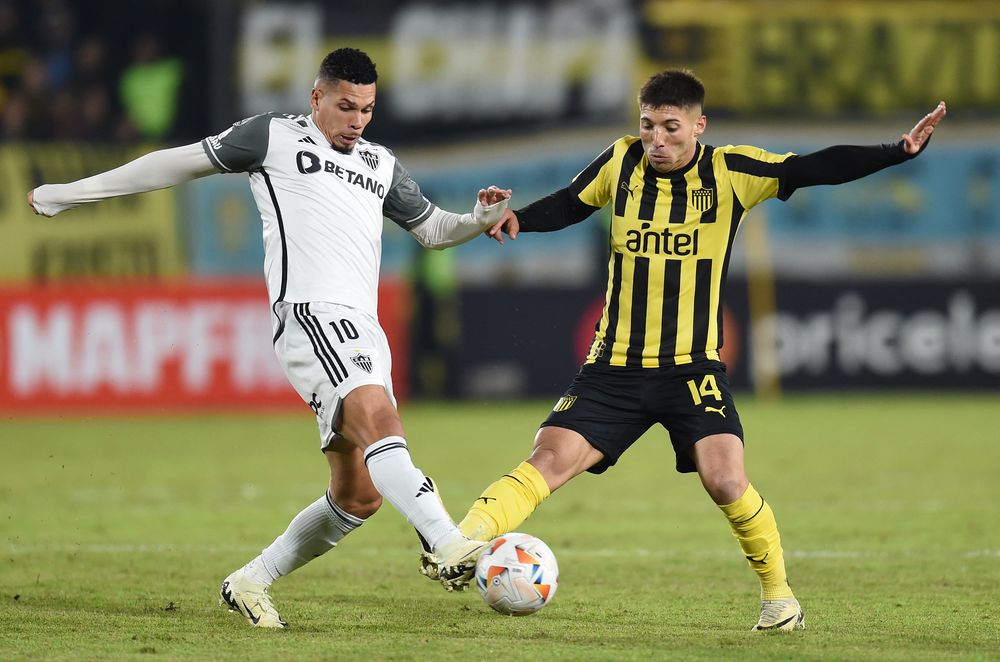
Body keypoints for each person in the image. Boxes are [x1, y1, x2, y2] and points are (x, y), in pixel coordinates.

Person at [420, 69, 947, 631]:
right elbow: (574, 203)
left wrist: (898, 150)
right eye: (647, 126)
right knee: (546, 461)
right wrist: (521, 218)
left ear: (699, 125)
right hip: (613, 367)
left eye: (671, 128)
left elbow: (812, 167)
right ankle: (459, 544)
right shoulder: (619, 161)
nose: (657, 140)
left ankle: (780, 598)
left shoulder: (732, 171)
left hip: (692, 370)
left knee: (725, 480)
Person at [28, 47, 515, 628]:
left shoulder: (380, 163)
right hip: (311, 315)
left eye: (366, 109)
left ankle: (250, 581)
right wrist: (67, 193)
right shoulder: (273, 138)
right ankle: (446, 540)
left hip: (363, 327)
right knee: (381, 421)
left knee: (358, 496)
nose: (357, 120)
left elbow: (433, 228)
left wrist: (478, 220)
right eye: (345, 106)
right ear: (316, 99)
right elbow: (175, 164)